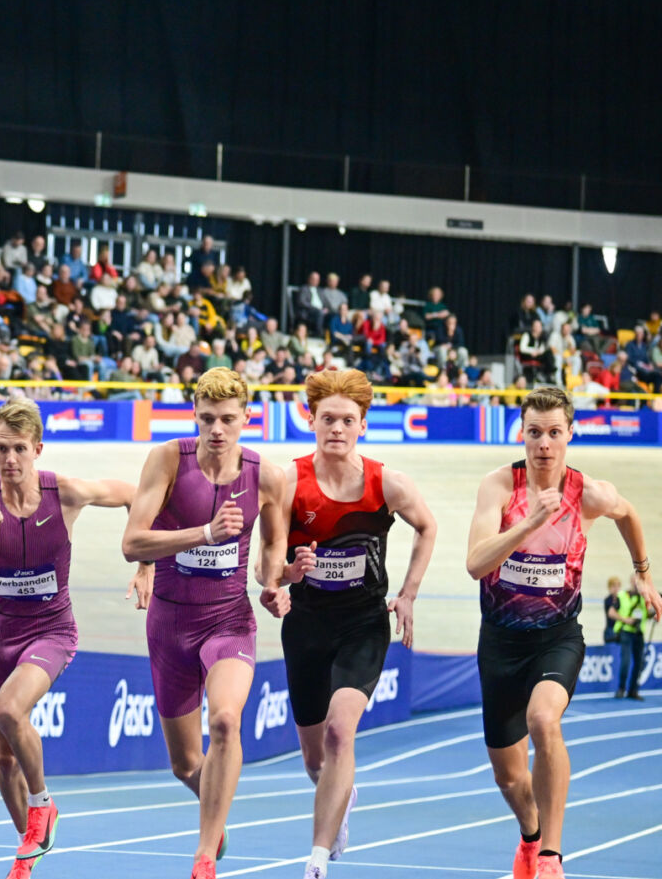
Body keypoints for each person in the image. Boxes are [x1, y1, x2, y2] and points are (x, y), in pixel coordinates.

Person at [464, 386, 659, 879]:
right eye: (535, 433)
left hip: (558, 637)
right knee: (509, 777)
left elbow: (630, 514)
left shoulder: (588, 493)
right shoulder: (499, 487)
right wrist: (528, 524)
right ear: (522, 434)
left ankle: (551, 855)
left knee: (543, 720)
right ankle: (530, 836)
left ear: (570, 435)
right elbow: (474, 564)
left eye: (554, 433)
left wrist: (642, 570)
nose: (544, 444)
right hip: (500, 643)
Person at [262, 370, 438, 879]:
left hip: (364, 624)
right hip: (306, 626)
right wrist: (281, 580)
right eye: (326, 419)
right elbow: (264, 567)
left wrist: (407, 594)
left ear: (363, 424)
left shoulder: (387, 483)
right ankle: (340, 792)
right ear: (310, 421)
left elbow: (427, 527)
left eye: (346, 420)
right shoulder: (288, 481)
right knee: (316, 761)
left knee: (343, 730)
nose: (336, 428)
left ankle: (317, 858)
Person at [120, 367, 288, 879]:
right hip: (170, 623)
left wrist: (274, 583)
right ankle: (215, 812)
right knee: (185, 764)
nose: (217, 430)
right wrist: (203, 534)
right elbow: (132, 543)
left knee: (225, 720)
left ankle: (203, 853)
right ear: (194, 415)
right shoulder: (168, 459)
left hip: (229, 620)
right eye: (207, 419)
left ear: (247, 418)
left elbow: (273, 548)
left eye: (228, 420)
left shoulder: (268, 475)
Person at [0, 400, 134, 878]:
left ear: (37, 449)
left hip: (52, 630)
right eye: (0, 449)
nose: (10, 459)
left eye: (19, 449)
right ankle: (27, 847)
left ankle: (43, 806)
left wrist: (147, 564)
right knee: (3, 757)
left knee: (12, 710)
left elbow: (137, 496)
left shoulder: (66, 492)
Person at [611, 573, 653, 699]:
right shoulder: (623, 596)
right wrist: (625, 619)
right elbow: (611, 612)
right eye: (635, 581)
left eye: (639, 582)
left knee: (639, 663)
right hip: (626, 632)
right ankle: (621, 688)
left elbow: (648, 614)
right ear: (631, 582)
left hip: (639, 633)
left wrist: (654, 614)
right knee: (626, 661)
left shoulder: (645, 597)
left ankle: (633, 690)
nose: (636, 584)